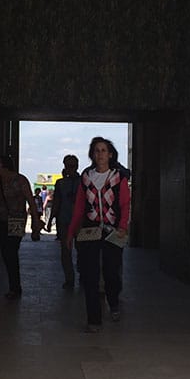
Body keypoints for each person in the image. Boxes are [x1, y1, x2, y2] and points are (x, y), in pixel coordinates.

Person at [67, 138, 131, 331]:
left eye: (104, 150)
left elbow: (125, 204)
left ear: (110, 154)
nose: (100, 154)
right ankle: (93, 320)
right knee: (89, 274)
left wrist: (122, 226)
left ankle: (113, 302)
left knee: (111, 271)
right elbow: (79, 207)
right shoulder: (86, 177)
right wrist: (71, 233)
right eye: (96, 151)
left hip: (112, 231)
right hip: (90, 230)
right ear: (92, 154)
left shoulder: (119, 177)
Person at [0, 155, 42, 299]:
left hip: (17, 220)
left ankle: (14, 287)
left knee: (11, 252)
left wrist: (35, 220)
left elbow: (30, 201)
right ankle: (14, 285)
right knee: (5, 252)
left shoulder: (21, 181)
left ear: (6, 167)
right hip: (2, 221)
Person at [47, 155, 81, 288]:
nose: (70, 168)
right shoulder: (62, 183)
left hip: (78, 221)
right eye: (68, 166)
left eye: (72, 166)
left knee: (81, 251)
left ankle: (79, 274)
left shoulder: (82, 182)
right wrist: (50, 221)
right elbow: (56, 203)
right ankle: (70, 278)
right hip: (65, 220)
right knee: (66, 251)